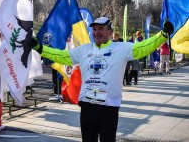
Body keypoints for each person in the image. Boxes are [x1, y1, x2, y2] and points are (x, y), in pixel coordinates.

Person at [28, 17, 174, 142]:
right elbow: (62, 56)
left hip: (108, 109)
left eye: (101, 29)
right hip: (87, 107)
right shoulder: (84, 50)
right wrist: (40, 48)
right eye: (95, 29)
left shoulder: (121, 49)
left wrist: (162, 34)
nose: (96, 33)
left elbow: (144, 47)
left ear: (110, 32)